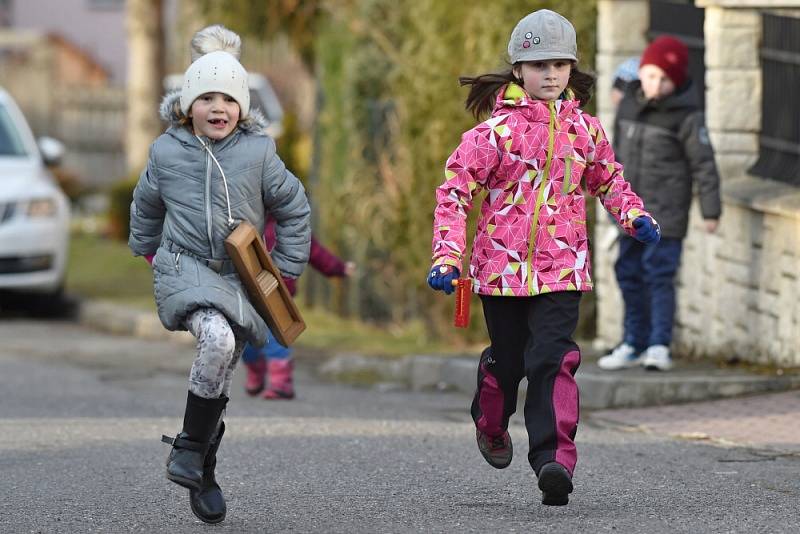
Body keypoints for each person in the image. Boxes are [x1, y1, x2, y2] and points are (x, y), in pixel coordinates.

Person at [427, 9, 659, 506]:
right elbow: (455, 193)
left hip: (562, 268)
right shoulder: (494, 135)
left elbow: (608, 179)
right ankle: (490, 419)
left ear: (571, 69)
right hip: (500, 272)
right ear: (517, 70)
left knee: (553, 359)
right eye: (538, 65)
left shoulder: (586, 130)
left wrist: (633, 215)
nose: (549, 75)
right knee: (509, 364)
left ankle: (555, 460)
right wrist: (447, 256)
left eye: (559, 64)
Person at [128, 25, 311, 524]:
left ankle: (201, 465)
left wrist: (288, 265)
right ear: (187, 105)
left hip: (241, 277)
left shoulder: (258, 154)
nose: (217, 108)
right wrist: (145, 250)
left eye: (228, 99)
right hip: (185, 266)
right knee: (219, 342)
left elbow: (292, 207)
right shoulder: (166, 152)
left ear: (242, 107)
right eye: (205, 97)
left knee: (223, 364)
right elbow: (146, 204)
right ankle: (189, 449)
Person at [598, 36, 721, 373]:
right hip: (630, 214)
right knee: (628, 273)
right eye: (651, 75)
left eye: (665, 79)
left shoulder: (687, 116)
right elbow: (612, 156)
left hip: (666, 215)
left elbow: (704, 165)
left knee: (659, 276)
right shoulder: (628, 105)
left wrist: (711, 210)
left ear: (676, 81)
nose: (656, 84)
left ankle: (658, 344)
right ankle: (632, 342)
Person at [241, 218, 356, 400]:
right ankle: (256, 370)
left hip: (279, 296)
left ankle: (281, 383)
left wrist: (339, 268)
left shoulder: (291, 227)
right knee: (246, 340)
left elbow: (316, 253)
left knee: (276, 338)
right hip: (249, 295)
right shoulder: (246, 225)